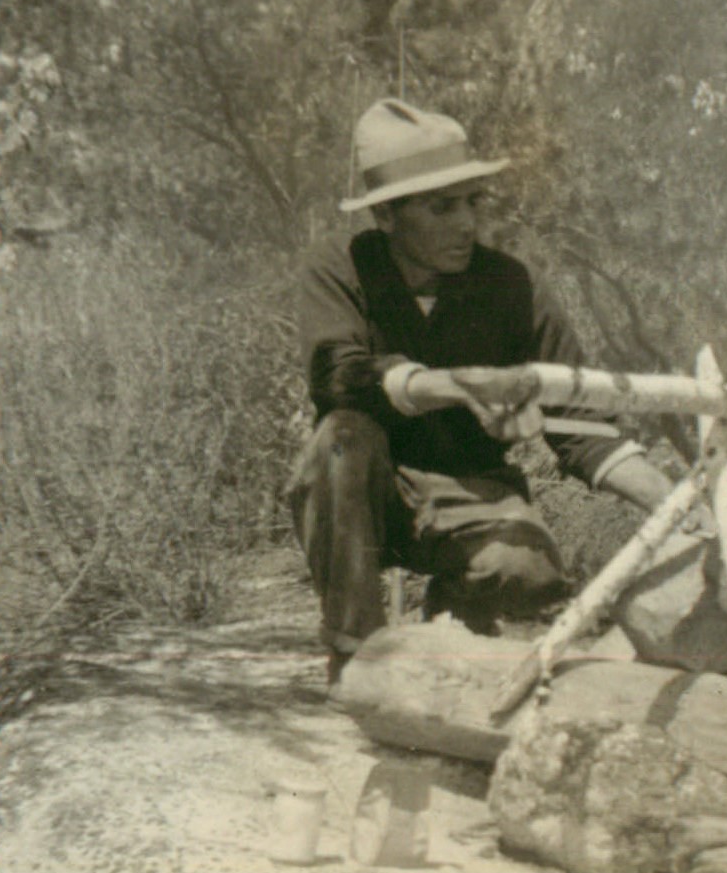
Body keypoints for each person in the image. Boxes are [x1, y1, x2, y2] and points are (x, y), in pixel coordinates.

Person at [289, 99, 678, 680]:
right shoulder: (340, 269)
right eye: (442, 207)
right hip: (365, 493)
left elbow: (583, 428)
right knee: (342, 438)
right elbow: (338, 376)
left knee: (528, 570)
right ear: (386, 216)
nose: (466, 223)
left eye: (473, 201)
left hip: (468, 492)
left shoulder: (512, 286)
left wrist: (677, 504)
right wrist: (456, 386)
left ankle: (450, 634)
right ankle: (355, 655)